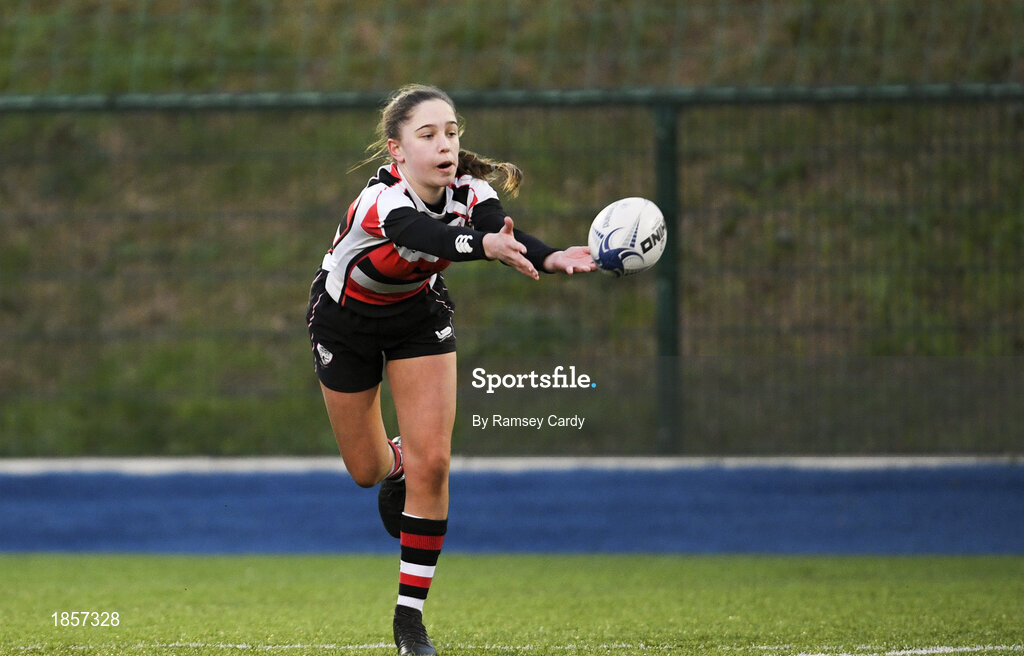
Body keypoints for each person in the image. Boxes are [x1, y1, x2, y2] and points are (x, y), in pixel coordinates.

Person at [305, 84, 596, 655]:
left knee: (434, 461)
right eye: (428, 134)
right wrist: (484, 245)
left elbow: (498, 226)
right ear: (397, 151)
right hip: (346, 322)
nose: (445, 144)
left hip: (418, 317)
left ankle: (409, 619)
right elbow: (428, 236)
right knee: (367, 471)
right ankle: (395, 465)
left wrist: (552, 256)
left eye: (452, 131)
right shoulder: (381, 202)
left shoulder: (469, 189)